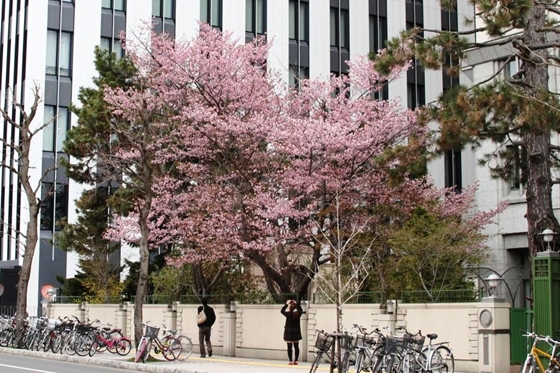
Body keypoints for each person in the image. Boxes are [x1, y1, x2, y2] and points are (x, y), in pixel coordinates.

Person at [281, 299, 303, 365]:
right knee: (296, 347)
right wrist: (297, 304)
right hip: (296, 332)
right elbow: (301, 310)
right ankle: (296, 360)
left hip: (289, 332)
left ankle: (290, 361)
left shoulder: (288, 314)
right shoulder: (298, 314)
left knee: (289, 347)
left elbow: (282, 311)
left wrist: (286, 304)